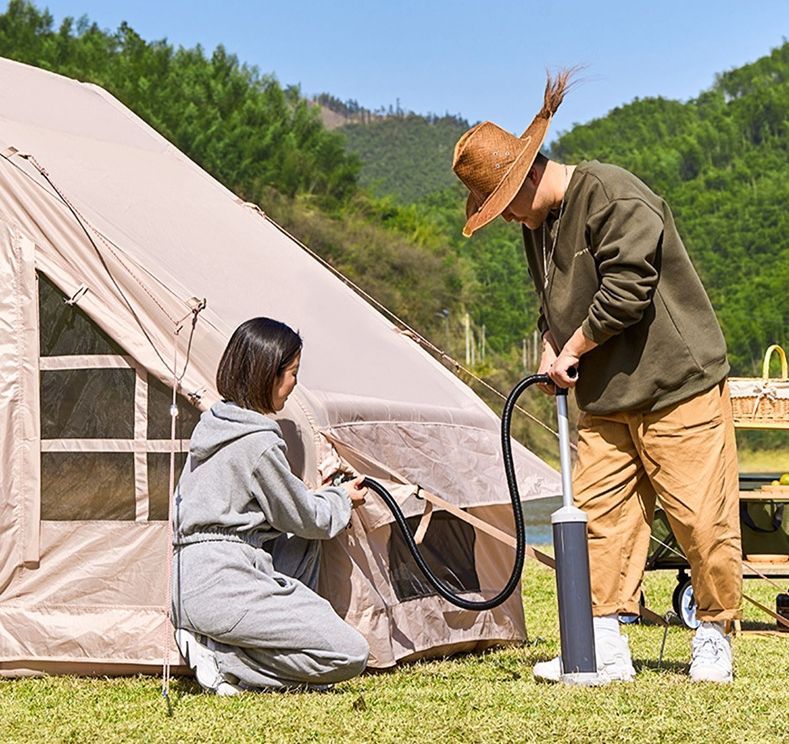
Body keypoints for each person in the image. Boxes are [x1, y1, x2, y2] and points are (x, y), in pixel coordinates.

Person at [452, 71, 741, 684]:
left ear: (529, 173)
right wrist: (552, 342)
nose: (505, 220)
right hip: (606, 398)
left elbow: (628, 289)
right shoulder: (538, 226)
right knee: (598, 517)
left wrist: (576, 345)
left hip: (676, 387)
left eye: (504, 206)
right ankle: (602, 642)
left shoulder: (612, 193)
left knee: (700, 517)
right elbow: (555, 301)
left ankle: (714, 632)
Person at [172, 317, 370, 694]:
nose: (294, 384)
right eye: (292, 372)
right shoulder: (258, 442)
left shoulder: (213, 427)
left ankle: (220, 646)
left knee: (301, 540)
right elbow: (307, 516)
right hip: (224, 582)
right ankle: (224, 658)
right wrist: (343, 499)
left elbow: (286, 514)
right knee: (350, 653)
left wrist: (322, 500)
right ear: (269, 375)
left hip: (188, 580)